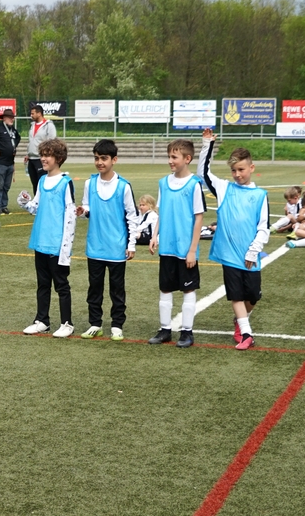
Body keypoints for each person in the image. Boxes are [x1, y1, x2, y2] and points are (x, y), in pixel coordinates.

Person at [198, 129, 269, 350]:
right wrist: (207, 144)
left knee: (253, 296)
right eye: (233, 170)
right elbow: (203, 173)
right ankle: (246, 333)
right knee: (236, 295)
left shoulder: (260, 195)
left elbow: (263, 228)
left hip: (250, 255)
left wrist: (253, 250)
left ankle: (240, 320)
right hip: (228, 254)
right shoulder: (224, 188)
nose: (237, 174)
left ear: (251, 168)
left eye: (241, 169)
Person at [76, 140, 138, 341]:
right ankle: (95, 324)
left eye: (104, 158)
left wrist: (131, 244)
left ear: (114, 160)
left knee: (117, 290)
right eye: (96, 158)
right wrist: (83, 211)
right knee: (94, 289)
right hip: (95, 246)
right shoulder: (89, 183)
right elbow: (88, 207)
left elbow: (132, 216)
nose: (99, 162)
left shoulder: (123, 186)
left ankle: (117, 325)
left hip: (116, 247)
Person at [148, 139, 204, 348]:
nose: (170, 160)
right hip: (167, 247)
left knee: (188, 289)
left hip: (185, 248)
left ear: (187, 159)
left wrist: (192, 250)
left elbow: (198, 218)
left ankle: (187, 332)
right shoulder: (164, 183)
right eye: (169, 156)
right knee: (165, 288)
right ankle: (165, 330)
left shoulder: (194, 184)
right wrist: (155, 236)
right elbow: (161, 213)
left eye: (174, 157)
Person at [19, 139, 76, 337]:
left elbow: (70, 215)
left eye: (48, 155)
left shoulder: (65, 182)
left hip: (57, 243)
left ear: (58, 158)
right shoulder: (42, 180)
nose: (43, 158)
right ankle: (42, 320)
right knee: (42, 284)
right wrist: (25, 202)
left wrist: (65, 247)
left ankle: (67, 323)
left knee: (61, 285)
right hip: (40, 241)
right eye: (42, 155)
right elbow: (36, 206)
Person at [25, 105, 56, 194]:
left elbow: (52, 142)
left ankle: (44, 201)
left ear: (39, 113)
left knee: (42, 183)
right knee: (34, 184)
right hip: (31, 159)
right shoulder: (32, 125)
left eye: (33, 113)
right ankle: (37, 201)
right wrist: (28, 153)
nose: (31, 115)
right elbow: (31, 141)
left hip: (41, 159)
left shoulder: (49, 125)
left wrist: (46, 156)